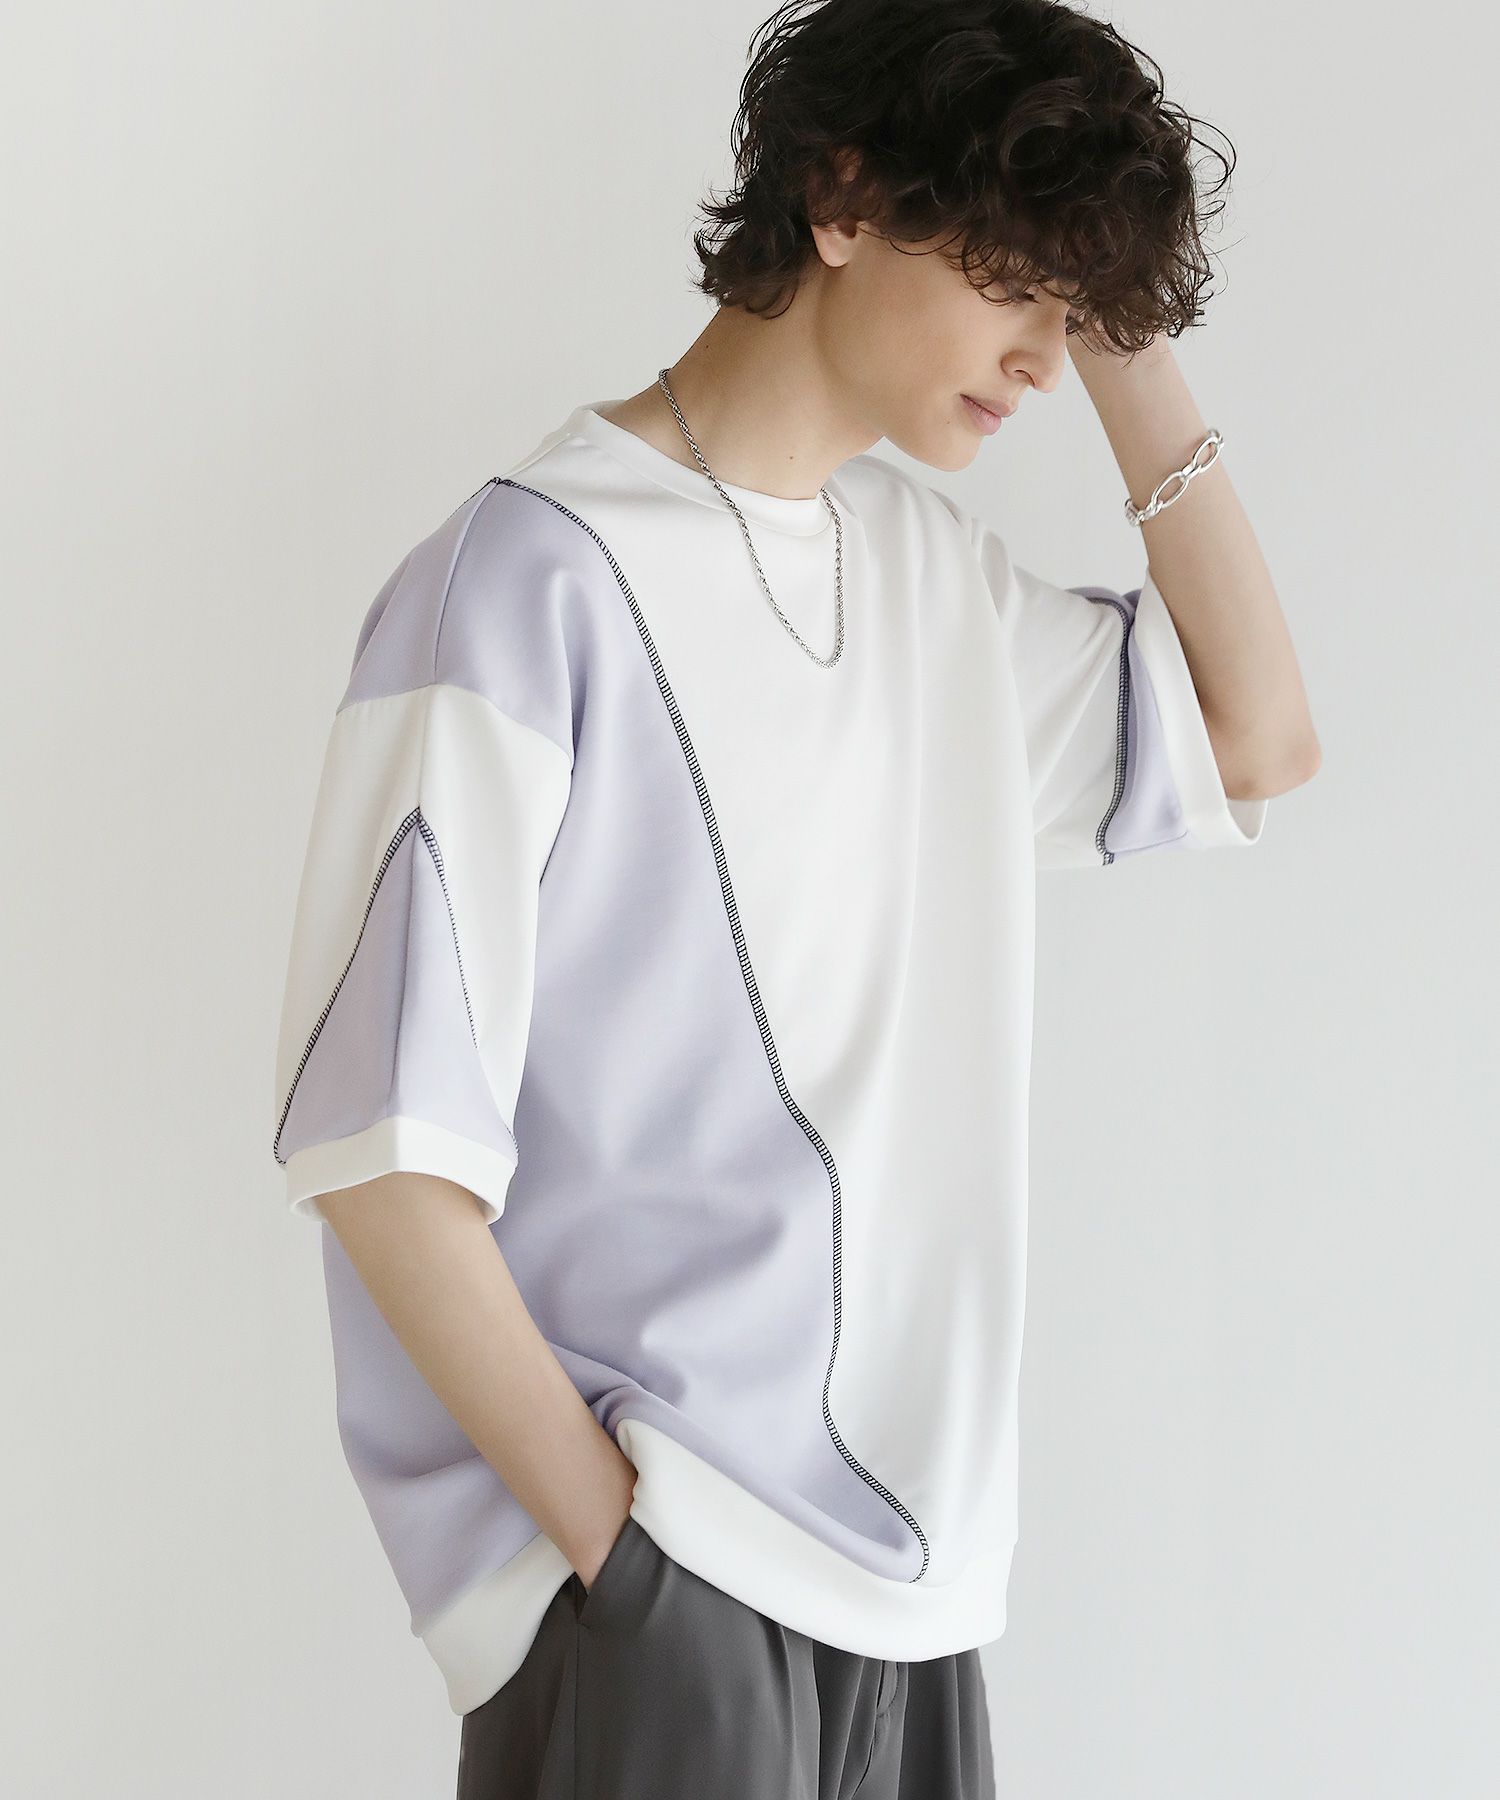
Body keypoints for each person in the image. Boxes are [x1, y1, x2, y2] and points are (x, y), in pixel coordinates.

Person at [268, 1, 1320, 1793]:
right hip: (670, 1584)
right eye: (1017, 284)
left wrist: (1126, 315)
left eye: (1071, 312)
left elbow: (1256, 737)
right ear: (842, 197)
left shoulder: (933, 583)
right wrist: (624, 1558)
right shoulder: (526, 579)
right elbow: (377, 1144)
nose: (1042, 359)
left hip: (915, 1592)